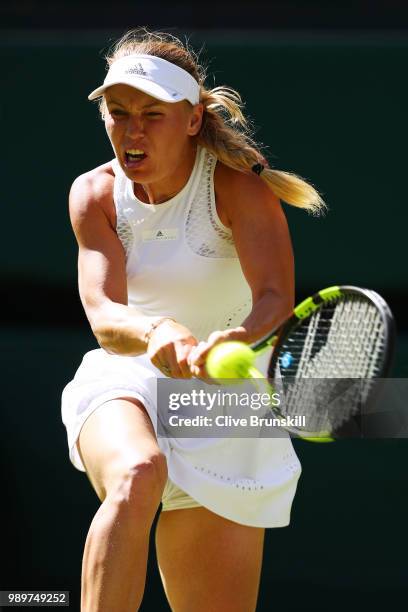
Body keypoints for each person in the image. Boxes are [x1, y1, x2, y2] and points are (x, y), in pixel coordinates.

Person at [61, 28, 325, 612]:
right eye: (118, 110)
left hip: (220, 404)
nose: (132, 129)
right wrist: (158, 332)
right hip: (126, 379)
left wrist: (234, 339)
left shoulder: (238, 186)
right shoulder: (94, 194)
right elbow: (105, 317)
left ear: (192, 120)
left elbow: (276, 297)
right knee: (137, 472)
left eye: (152, 114)